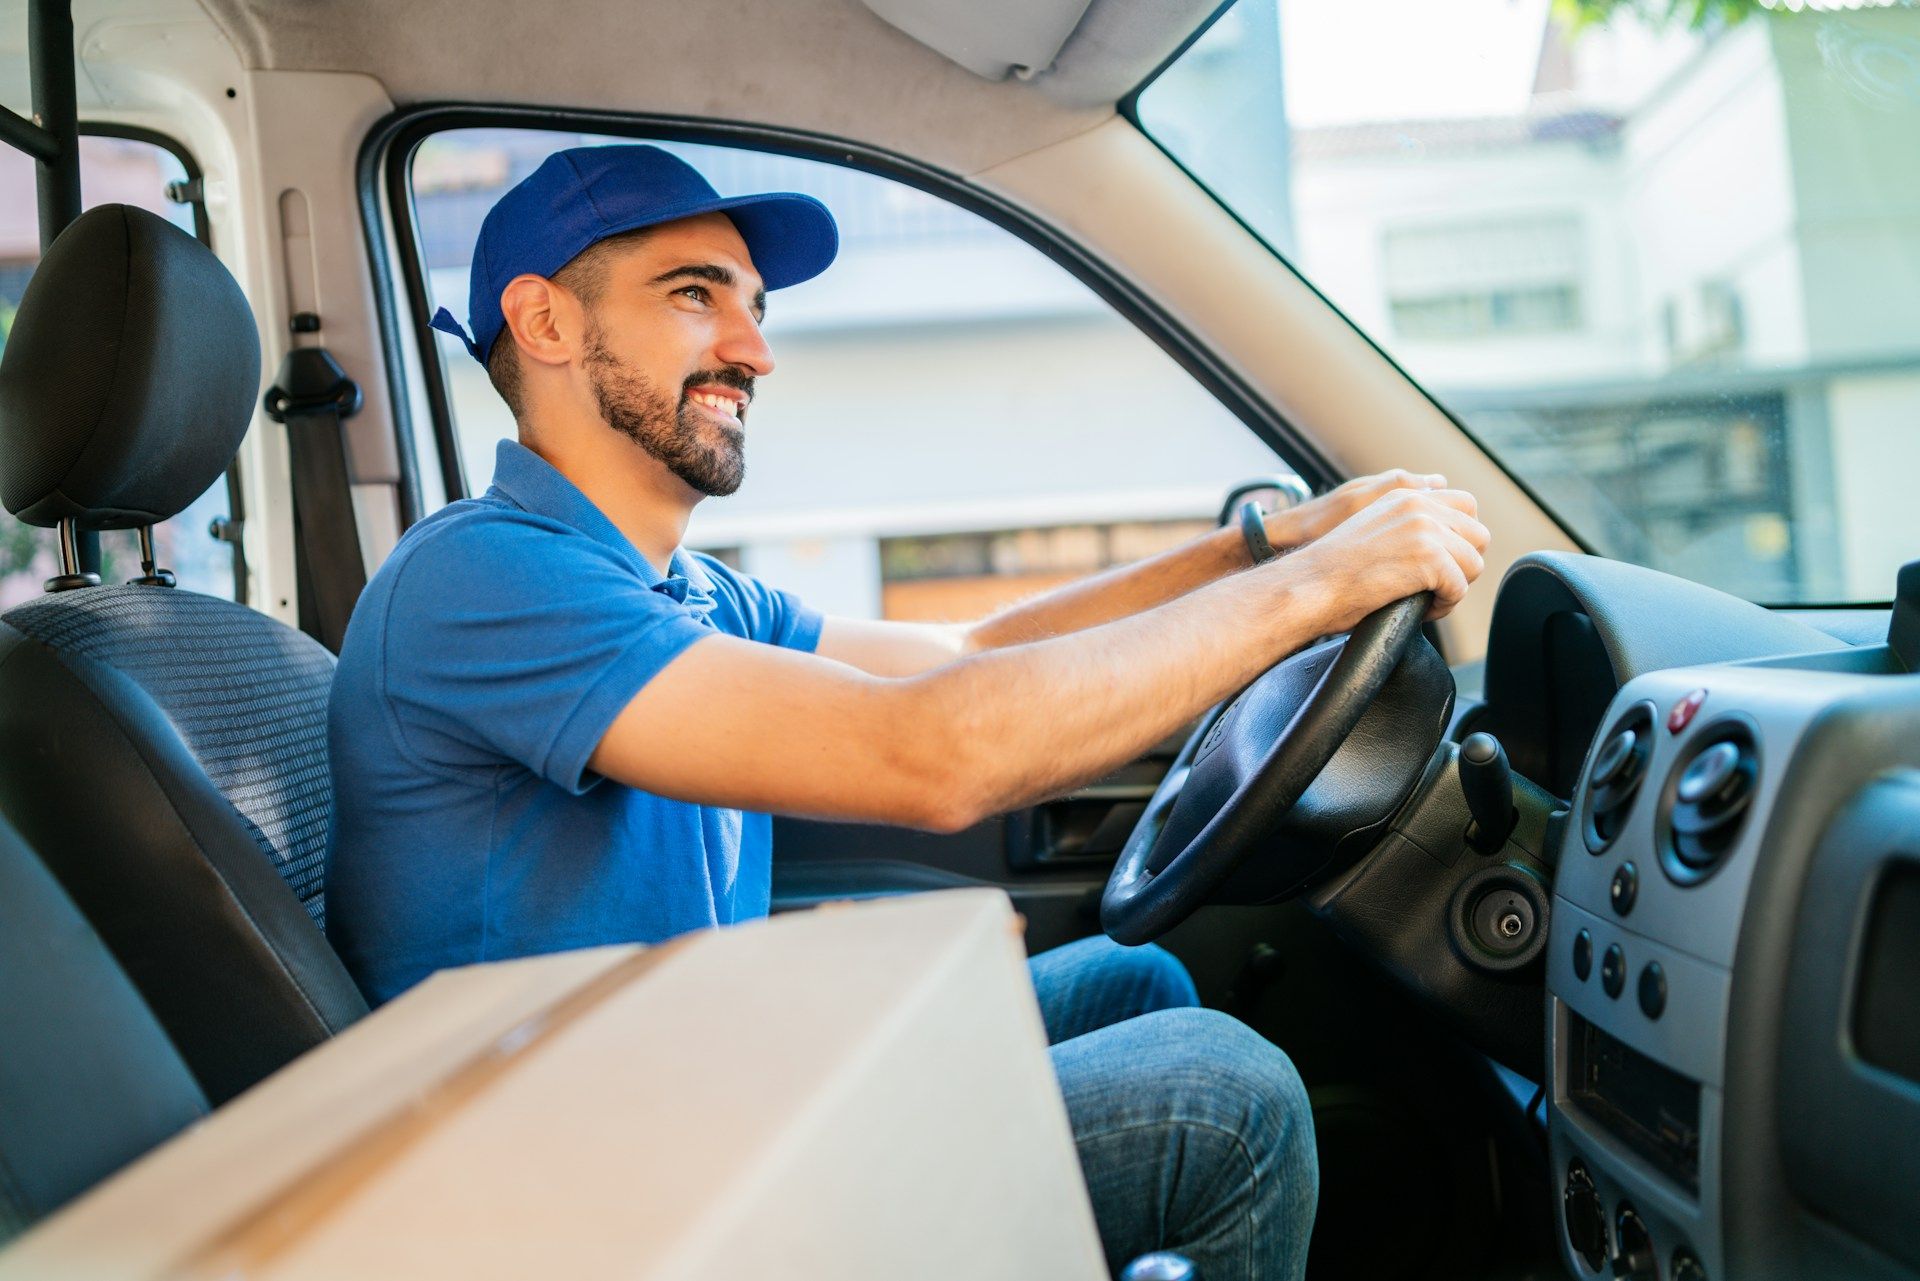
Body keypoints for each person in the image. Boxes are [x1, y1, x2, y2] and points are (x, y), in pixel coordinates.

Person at [326, 144, 1489, 1280]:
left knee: (1135, 986)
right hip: (590, 1192)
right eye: (694, 297)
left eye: (755, 306)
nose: (753, 350)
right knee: (1219, 1099)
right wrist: (1313, 594)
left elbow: (968, 652)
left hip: (698, 1083)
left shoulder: (685, 592)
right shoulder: (483, 578)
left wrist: (1265, 546)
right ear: (546, 324)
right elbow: (934, 753)